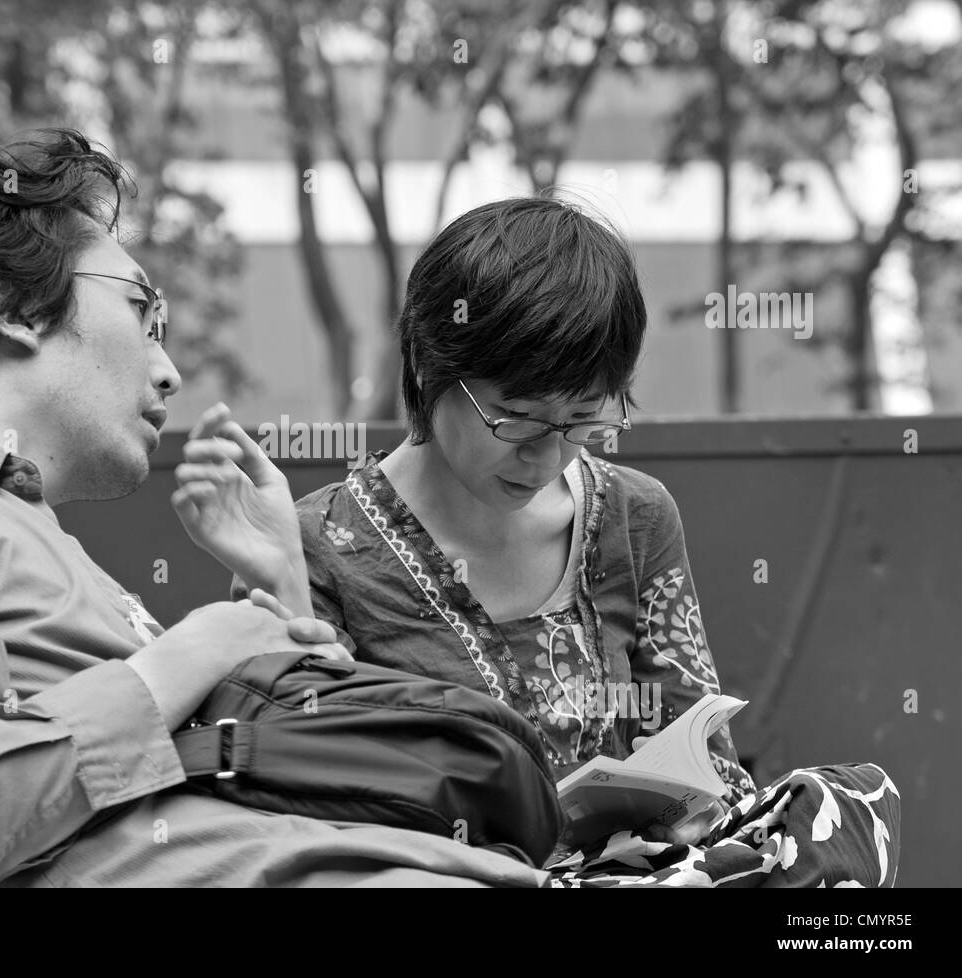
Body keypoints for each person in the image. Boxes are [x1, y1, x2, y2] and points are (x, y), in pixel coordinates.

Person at [0, 130, 553, 888]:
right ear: (11, 304)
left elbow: (279, 791)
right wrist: (194, 649)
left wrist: (277, 587)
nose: (170, 372)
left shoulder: (39, 543)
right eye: (142, 312)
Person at [174, 195, 901, 887]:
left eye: (583, 421)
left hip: (635, 872)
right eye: (516, 418)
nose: (548, 455)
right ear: (431, 368)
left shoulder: (633, 516)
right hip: (447, 880)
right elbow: (297, 793)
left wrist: (687, 809)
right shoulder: (317, 542)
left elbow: (701, 753)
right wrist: (283, 590)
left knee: (844, 807)